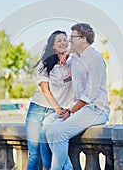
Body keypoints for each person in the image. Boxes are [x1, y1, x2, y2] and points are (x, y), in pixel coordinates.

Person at [46, 23, 110, 169]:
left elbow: (89, 94)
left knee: (60, 134)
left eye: (72, 37)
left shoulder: (95, 59)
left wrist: (70, 111)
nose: (69, 40)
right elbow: (63, 72)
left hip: (96, 110)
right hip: (80, 110)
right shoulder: (74, 57)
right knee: (50, 132)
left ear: (83, 39)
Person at [25, 30, 73, 170]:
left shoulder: (71, 64)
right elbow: (45, 90)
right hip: (37, 110)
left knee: (47, 144)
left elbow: (85, 55)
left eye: (65, 40)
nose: (63, 42)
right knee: (33, 153)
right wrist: (58, 109)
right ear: (52, 46)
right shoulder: (44, 64)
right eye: (59, 41)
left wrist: (70, 53)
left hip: (54, 114)